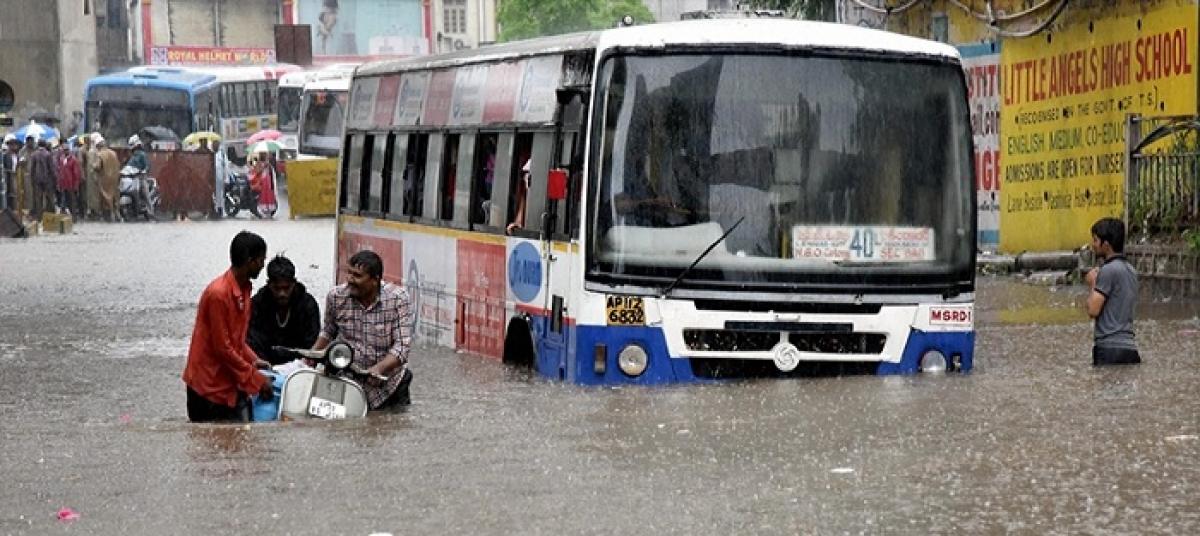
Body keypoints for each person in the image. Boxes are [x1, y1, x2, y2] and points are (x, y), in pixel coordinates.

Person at [182, 231, 274, 422]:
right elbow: (223, 348)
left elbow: (236, 340)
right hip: (208, 387)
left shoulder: (245, 289)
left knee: (238, 443)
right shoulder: (219, 294)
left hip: (229, 382)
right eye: (260, 260)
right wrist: (255, 379)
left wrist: (254, 360)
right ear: (250, 261)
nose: (263, 265)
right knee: (211, 445)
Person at [313, 250, 414, 409]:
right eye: (349, 273)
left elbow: (402, 346)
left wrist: (379, 368)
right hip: (347, 380)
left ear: (375, 280)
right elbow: (328, 331)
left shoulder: (398, 298)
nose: (350, 280)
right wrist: (310, 358)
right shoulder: (336, 296)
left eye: (357, 276)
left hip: (390, 384)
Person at [1085, 217, 1141, 366]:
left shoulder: (1108, 270)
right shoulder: (1131, 271)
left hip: (1108, 349)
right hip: (1130, 349)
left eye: (1096, 240)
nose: (1093, 245)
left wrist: (1092, 283)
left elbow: (1093, 310)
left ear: (1106, 245)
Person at [248, 255, 322, 366]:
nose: (282, 294)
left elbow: (311, 343)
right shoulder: (258, 304)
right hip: (264, 365)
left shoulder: (307, 305)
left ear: (294, 283)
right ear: (269, 284)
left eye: (286, 288)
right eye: (277, 288)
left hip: (299, 366)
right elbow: (253, 340)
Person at [28, 140, 58, 220]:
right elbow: (51, 168)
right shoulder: (48, 154)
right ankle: (50, 216)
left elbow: (32, 169)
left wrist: (32, 179)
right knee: (49, 198)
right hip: (47, 179)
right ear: (45, 145)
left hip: (37, 180)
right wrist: (55, 179)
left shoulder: (34, 154)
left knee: (38, 199)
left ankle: (39, 217)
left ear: (38, 145)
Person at [93, 137, 121, 221]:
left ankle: (110, 214)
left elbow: (97, 166)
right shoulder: (113, 153)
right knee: (114, 196)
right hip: (115, 178)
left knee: (106, 196)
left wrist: (93, 166)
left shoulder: (100, 154)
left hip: (104, 178)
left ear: (98, 146)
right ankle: (117, 214)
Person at [54, 142, 82, 216]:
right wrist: (59, 183)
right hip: (63, 184)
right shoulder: (62, 159)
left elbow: (76, 174)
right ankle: (63, 215)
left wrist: (76, 185)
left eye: (66, 150)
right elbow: (60, 172)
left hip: (71, 184)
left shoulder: (73, 160)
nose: (65, 151)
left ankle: (74, 216)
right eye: (64, 150)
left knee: (72, 201)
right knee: (63, 200)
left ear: (69, 150)